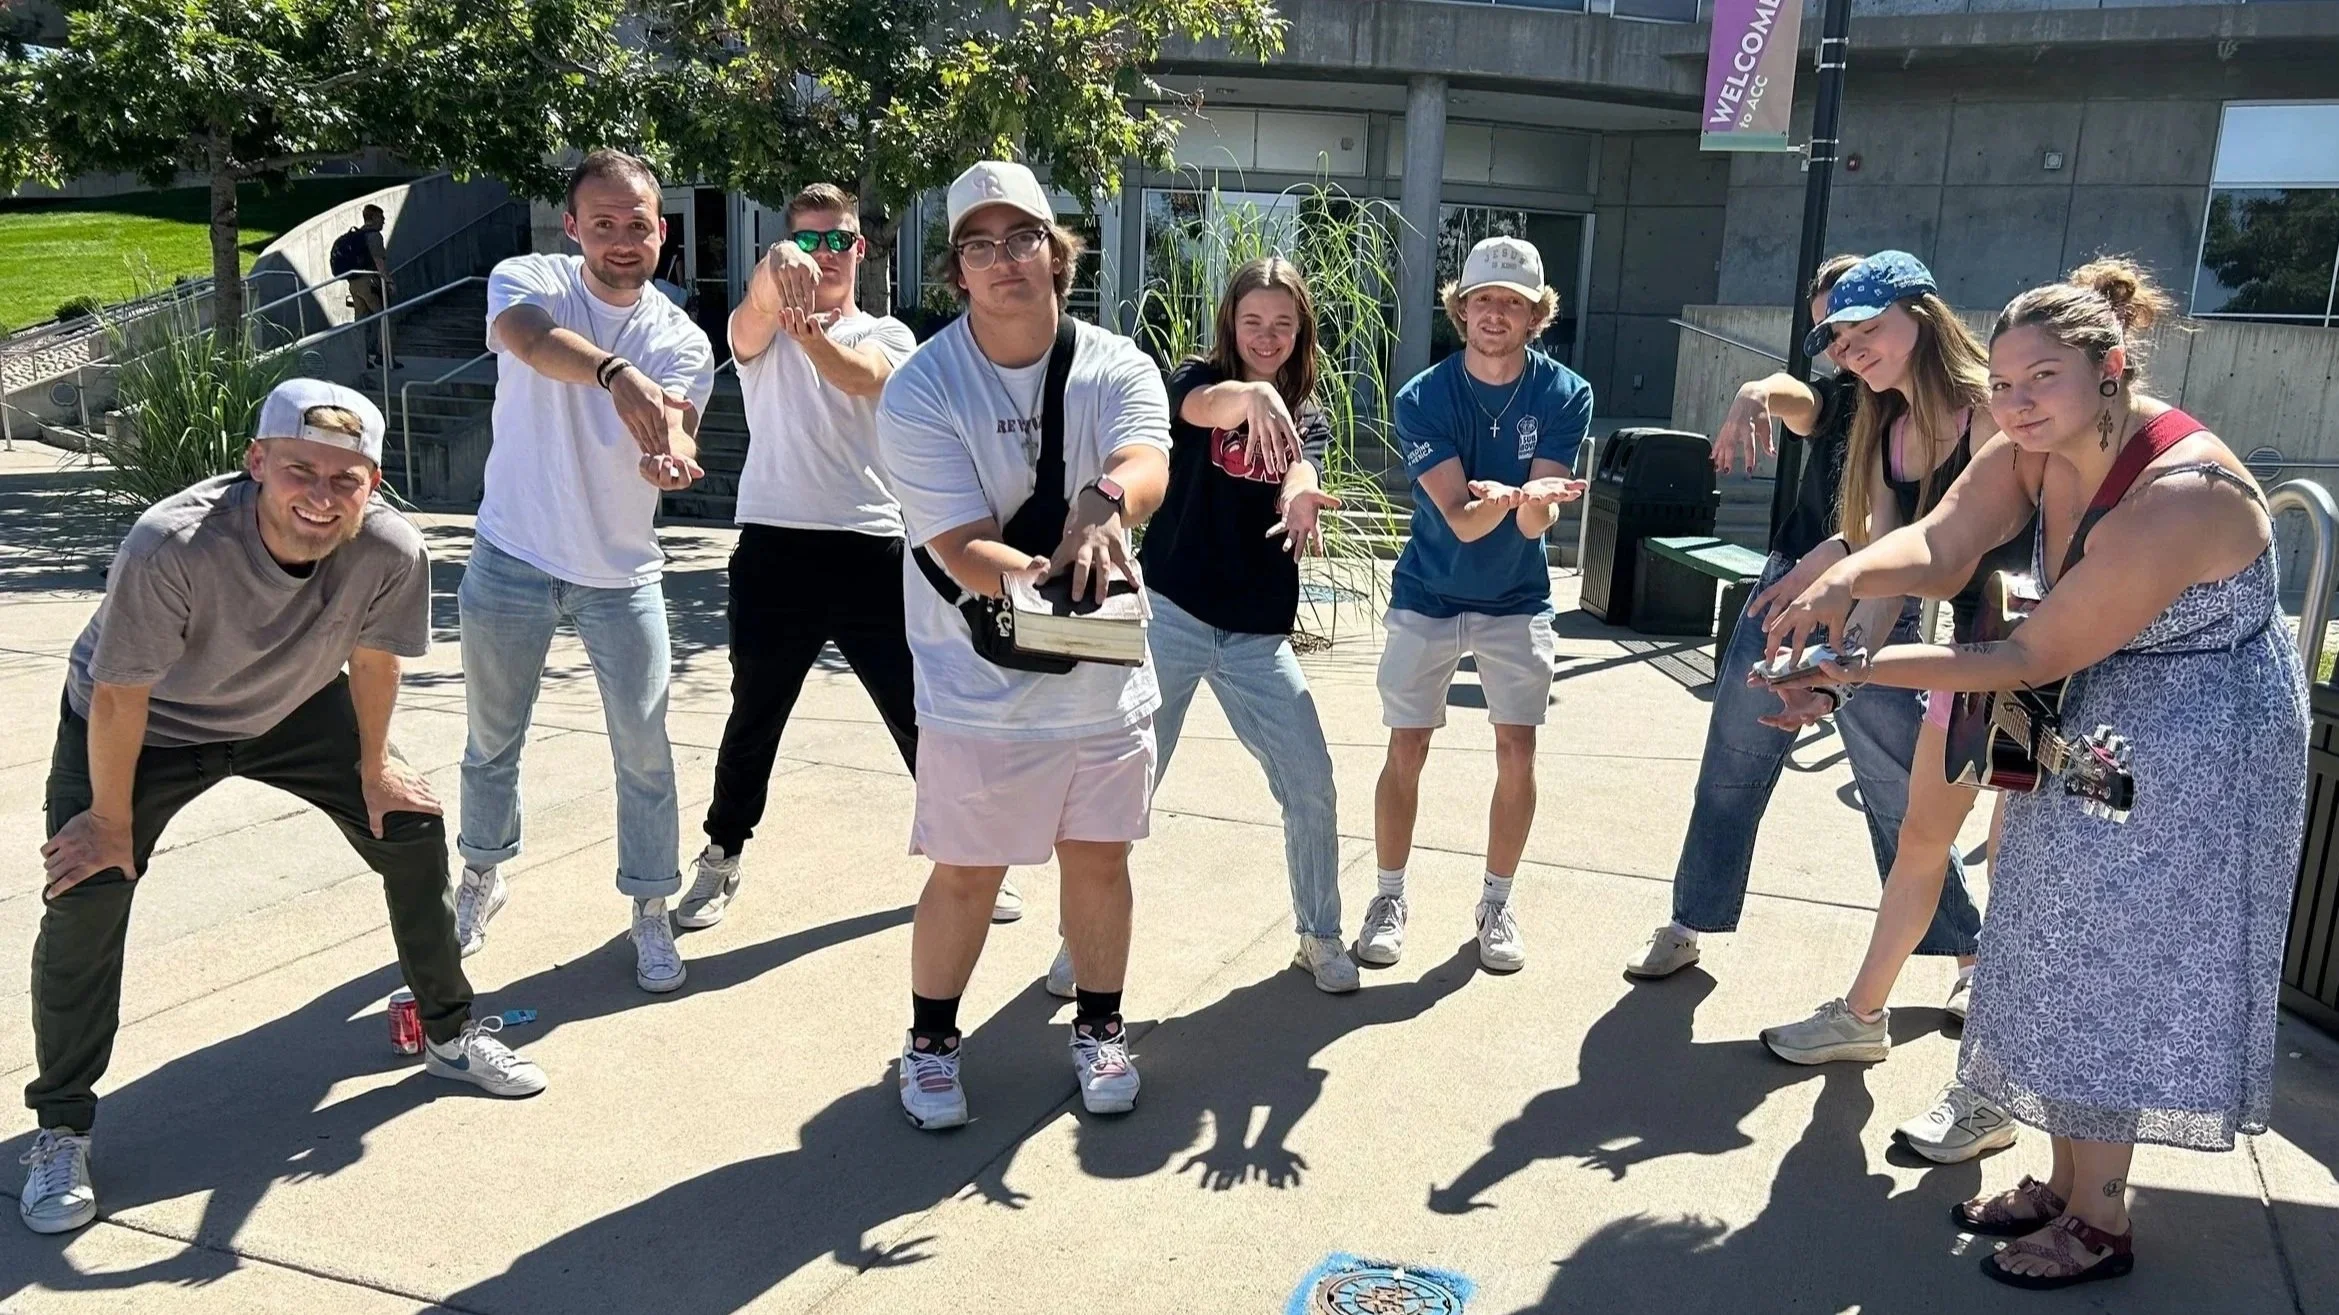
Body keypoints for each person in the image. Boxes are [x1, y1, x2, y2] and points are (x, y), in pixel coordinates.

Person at [1764, 258, 2307, 1291]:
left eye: (2040, 379)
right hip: (2096, 711)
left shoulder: (2178, 495)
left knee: (2113, 961)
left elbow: (2022, 654)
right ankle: (2062, 1183)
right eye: (2003, 383)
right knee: (2048, 933)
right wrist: (1844, 575)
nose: (2014, 404)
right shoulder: (2029, 446)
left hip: (2197, 745)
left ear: (2109, 368)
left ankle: (2099, 1217)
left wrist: (1853, 666)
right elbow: (1941, 542)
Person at [19, 380, 544, 1237]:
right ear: (256, 461)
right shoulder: (173, 544)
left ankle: (449, 1034)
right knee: (88, 885)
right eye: (301, 468)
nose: (321, 495)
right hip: (148, 724)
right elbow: (119, 696)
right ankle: (62, 1128)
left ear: (373, 484)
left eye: (346, 479)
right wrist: (109, 822)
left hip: (289, 707)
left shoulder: (390, 548)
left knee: (407, 824)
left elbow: (373, 661)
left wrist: (374, 768)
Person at [1622, 251, 2009, 1160]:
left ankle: (1988, 1055)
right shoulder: (1879, 423)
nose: (1849, 347)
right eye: (1838, 334)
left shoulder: (1995, 411)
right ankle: (1874, 1019)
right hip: (1963, 643)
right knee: (1919, 835)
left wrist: (1838, 575)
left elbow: (1942, 552)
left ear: (1923, 315)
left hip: (2029, 647)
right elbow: (1891, 573)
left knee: (2006, 858)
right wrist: (1836, 672)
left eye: (1867, 327)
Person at [878, 160, 1171, 1129]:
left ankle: (1098, 1026)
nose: (1002, 259)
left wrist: (1102, 506)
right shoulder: (921, 387)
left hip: (1101, 677)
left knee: (1099, 860)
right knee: (967, 871)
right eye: (978, 244)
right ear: (956, 268)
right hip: (975, 680)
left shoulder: (1116, 363)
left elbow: (1146, 459)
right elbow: (958, 542)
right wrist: (1045, 579)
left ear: (1057, 253)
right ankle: (929, 1043)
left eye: (1022, 238)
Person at [683, 182, 993, 929]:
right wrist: (774, 273)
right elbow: (751, 317)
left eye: (836, 240)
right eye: (807, 240)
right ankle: (722, 851)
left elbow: (865, 379)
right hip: (774, 547)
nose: (822, 254)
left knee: (918, 712)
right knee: (754, 715)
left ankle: (972, 853)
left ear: (858, 248)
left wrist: (810, 334)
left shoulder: (887, 333)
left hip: (870, 546)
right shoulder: (761, 329)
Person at [452, 149, 716, 994]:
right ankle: (480, 876)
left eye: (636, 223)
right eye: (602, 223)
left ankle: (650, 906)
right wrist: (612, 370)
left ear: (661, 230)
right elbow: (530, 342)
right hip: (512, 555)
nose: (621, 239)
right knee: (492, 740)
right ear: (572, 228)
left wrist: (670, 461)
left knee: (645, 752)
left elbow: (680, 427)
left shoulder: (680, 337)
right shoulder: (529, 279)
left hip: (621, 573)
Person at [1117, 255, 1357, 994]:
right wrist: (1250, 394)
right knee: (1126, 783)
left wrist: (1300, 492)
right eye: (1253, 320)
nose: (1267, 335)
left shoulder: (1307, 414)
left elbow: (1303, 468)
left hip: (1256, 636)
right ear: (1231, 322)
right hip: (1174, 616)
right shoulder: (1195, 379)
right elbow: (1203, 407)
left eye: (1282, 323)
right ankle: (1083, 943)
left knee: (1310, 783)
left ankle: (1318, 936)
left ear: (1300, 331)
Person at [1363, 235, 1591, 975]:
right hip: (1428, 590)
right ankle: (1388, 897)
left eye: (1512, 302)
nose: (1495, 313)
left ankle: (1496, 903)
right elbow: (1461, 520)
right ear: (1460, 308)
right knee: (1407, 747)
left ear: (1536, 315)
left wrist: (1531, 501)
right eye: (1482, 299)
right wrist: (1509, 498)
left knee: (1517, 748)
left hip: (1516, 596)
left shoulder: (1565, 393)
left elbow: (1531, 525)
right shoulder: (1422, 397)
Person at [341, 204, 399, 370]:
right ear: (373, 218)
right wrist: (389, 282)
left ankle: (362, 358)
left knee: (360, 322)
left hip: (354, 283)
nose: (384, 221)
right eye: (381, 217)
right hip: (370, 284)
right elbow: (379, 263)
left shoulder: (357, 235)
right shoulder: (374, 236)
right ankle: (384, 356)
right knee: (385, 317)